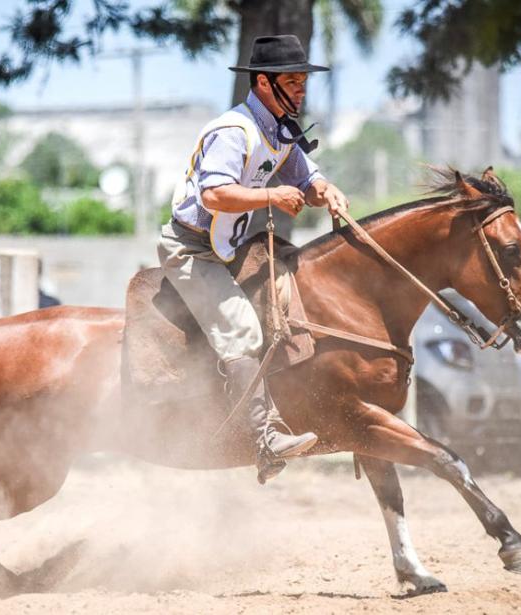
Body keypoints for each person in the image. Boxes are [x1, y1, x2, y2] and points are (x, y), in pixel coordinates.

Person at [158, 34, 350, 483]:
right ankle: (264, 440)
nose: (301, 91)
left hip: (228, 247)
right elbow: (215, 194)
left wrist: (327, 191)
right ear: (264, 83)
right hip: (193, 250)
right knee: (242, 328)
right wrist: (271, 195)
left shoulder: (279, 129)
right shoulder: (234, 130)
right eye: (292, 82)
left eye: (303, 81)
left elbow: (306, 180)